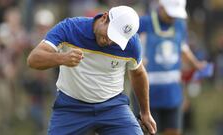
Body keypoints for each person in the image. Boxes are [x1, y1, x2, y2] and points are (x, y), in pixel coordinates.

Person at [27, 5, 157, 135]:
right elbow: (33, 59)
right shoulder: (71, 28)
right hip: (71, 107)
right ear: (104, 18)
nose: (110, 41)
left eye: (116, 39)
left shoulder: (131, 44)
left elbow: (138, 73)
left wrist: (145, 112)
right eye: (111, 34)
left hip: (113, 107)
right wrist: (62, 58)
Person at [130, 0, 207, 135]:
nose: (173, 17)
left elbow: (183, 48)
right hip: (147, 93)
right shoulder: (144, 23)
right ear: (161, 7)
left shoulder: (180, 25)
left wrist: (196, 64)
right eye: (170, 13)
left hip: (172, 93)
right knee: (146, 132)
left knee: (173, 131)